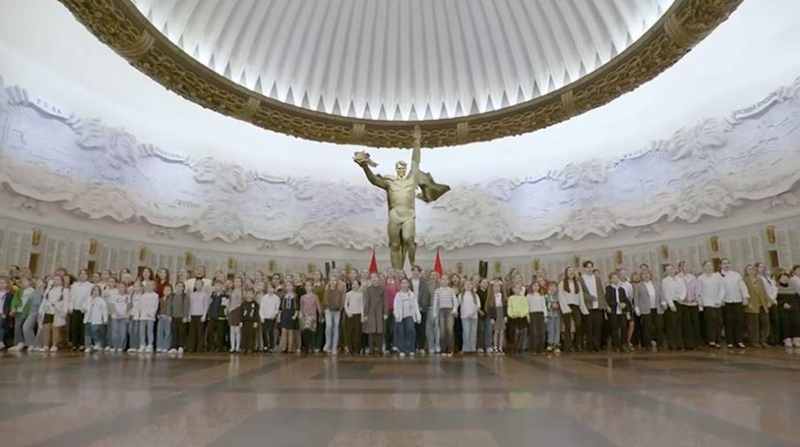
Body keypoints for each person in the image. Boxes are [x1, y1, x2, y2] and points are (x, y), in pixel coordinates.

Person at [719, 258, 749, 349]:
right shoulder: (718, 275)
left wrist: (745, 297)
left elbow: (742, 286)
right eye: (724, 263)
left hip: (737, 300)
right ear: (720, 265)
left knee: (739, 321)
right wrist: (720, 300)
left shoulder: (736, 275)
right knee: (728, 321)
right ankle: (730, 341)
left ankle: (739, 340)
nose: (726, 265)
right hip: (726, 301)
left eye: (728, 263)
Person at [579, 261, 608, 352]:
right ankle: (589, 346)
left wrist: (603, 304)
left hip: (598, 306)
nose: (590, 269)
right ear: (584, 268)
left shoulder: (597, 278)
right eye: (587, 267)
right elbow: (580, 293)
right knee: (589, 327)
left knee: (597, 327)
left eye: (591, 267)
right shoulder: (580, 279)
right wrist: (590, 298)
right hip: (588, 306)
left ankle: (597, 345)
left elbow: (601, 292)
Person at [633, 270, 664, 352]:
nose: (646, 275)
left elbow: (661, 295)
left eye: (648, 274)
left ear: (651, 275)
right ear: (641, 276)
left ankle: (659, 344)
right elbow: (636, 298)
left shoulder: (657, 284)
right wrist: (637, 308)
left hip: (657, 308)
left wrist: (663, 302)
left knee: (659, 326)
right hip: (645, 309)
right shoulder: (638, 286)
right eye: (644, 274)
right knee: (647, 327)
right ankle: (647, 344)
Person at [559, 267, 588, 352]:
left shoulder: (578, 283)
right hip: (566, 305)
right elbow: (561, 296)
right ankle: (568, 346)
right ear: (566, 273)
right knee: (567, 326)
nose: (571, 272)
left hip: (576, 305)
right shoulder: (562, 283)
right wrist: (565, 307)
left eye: (572, 271)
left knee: (578, 324)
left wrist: (583, 307)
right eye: (569, 271)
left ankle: (578, 344)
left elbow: (580, 296)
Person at [697, 261, 725, 348]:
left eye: (710, 266)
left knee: (718, 321)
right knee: (711, 321)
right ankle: (711, 339)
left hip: (717, 302)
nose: (709, 267)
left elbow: (722, 289)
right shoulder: (700, 278)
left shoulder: (717, 277)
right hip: (707, 302)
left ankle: (718, 340)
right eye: (707, 265)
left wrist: (720, 299)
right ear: (704, 267)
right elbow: (699, 291)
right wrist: (700, 303)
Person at [743, 265, 771, 348]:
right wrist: (748, 303)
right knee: (753, 324)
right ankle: (754, 341)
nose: (751, 271)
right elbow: (743, 292)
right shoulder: (744, 281)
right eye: (749, 269)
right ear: (746, 271)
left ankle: (763, 340)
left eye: (753, 269)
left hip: (762, 303)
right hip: (752, 304)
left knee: (765, 322)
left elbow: (764, 291)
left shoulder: (760, 280)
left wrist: (768, 301)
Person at [393, 278, 421, 357]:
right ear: (400, 285)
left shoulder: (412, 294)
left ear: (408, 284)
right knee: (401, 333)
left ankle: (411, 348)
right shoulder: (398, 295)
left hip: (410, 316)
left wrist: (418, 315)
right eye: (403, 283)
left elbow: (416, 306)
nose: (404, 285)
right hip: (400, 317)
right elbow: (395, 306)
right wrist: (397, 315)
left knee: (411, 330)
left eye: (406, 283)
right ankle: (402, 349)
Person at [677, 262, 701, 350]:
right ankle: (689, 343)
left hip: (693, 302)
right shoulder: (678, 277)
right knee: (687, 324)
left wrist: (696, 298)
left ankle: (697, 342)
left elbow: (697, 288)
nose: (686, 267)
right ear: (680, 267)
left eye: (687, 265)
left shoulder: (693, 277)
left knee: (695, 322)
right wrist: (684, 298)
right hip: (684, 303)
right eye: (684, 266)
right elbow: (680, 289)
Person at [661, 264, 685, 351]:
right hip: (670, 303)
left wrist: (681, 298)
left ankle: (680, 344)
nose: (670, 271)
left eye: (672, 269)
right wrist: (671, 304)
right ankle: (672, 344)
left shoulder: (680, 279)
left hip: (679, 301)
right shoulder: (665, 281)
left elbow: (683, 289)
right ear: (666, 272)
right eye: (668, 270)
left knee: (679, 323)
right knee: (671, 324)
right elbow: (666, 293)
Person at [606, 271, 631, 352]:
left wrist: (624, 305)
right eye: (613, 278)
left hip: (621, 311)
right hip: (613, 311)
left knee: (624, 326)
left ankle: (623, 343)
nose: (616, 280)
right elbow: (608, 300)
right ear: (610, 280)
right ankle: (616, 345)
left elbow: (625, 299)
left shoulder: (621, 289)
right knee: (615, 328)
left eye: (617, 278)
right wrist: (617, 304)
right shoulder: (608, 289)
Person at [41, 275, 67, 352]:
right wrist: (41, 310)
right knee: (46, 328)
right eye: (55, 279)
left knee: (55, 328)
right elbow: (44, 300)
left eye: (58, 279)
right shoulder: (48, 290)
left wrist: (64, 312)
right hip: (48, 310)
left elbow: (65, 302)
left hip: (57, 311)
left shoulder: (64, 290)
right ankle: (46, 345)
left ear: (62, 281)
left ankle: (54, 345)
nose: (56, 281)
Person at [433, 275, 458, 356]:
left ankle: (450, 350)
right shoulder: (437, 291)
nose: (444, 281)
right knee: (442, 331)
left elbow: (455, 300)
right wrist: (434, 312)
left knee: (450, 330)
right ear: (440, 281)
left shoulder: (451, 290)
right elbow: (435, 302)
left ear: (448, 281)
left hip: (449, 311)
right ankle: (443, 350)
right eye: (443, 279)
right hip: (441, 311)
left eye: (446, 279)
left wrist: (454, 309)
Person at [362, 274, 387, 355]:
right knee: (371, 331)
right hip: (371, 312)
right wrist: (365, 314)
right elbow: (366, 303)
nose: (375, 280)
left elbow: (386, 302)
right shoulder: (368, 289)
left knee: (380, 331)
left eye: (376, 278)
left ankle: (380, 349)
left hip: (380, 312)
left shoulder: (383, 289)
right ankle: (371, 349)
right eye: (373, 279)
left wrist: (385, 313)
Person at [68, 269, 92, 351]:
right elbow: (71, 296)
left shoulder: (90, 286)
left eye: (85, 274)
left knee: (83, 327)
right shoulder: (75, 285)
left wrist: (85, 307)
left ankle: (82, 343)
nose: (82, 275)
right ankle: (74, 343)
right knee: (74, 326)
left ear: (88, 276)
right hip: (75, 307)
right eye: (81, 274)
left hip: (84, 309)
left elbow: (89, 298)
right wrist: (71, 306)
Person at [409, 266, 431, 354]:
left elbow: (426, 295)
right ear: (411, 272)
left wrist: (422, 306)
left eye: (417, 271)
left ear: (419, 272)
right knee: (412, 328)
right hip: (410, 310)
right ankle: (413, 346)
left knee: (421, 328)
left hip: (421, 308)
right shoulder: (408, 282)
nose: (415, 272)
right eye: (413, 271)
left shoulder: (424, 283)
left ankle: (421, 346)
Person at [775, 272, 800, 347]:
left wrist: (793, 306)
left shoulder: (793, 287)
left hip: (794, 307)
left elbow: (797, 299)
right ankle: (787, 340)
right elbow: (776, 298)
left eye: (786, 277)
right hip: (782, 308)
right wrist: (783, 304)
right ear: (779, 279)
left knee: (796, 322)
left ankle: (796, 339)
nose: (785, 279)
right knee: (785, 323)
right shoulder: (777, 288)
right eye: (783, 277)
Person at [187, 277, 210, 353]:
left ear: (202, 285)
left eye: (200, 284)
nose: (198, 286)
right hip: (193, 314)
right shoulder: (192, 295)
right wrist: (189, 315)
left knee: (200, 332)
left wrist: (204, 315)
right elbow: (190, 305)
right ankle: (192, 347)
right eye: (196, 284)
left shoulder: (204, 294)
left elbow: (206, 305)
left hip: (200, 314)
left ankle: (200, 347)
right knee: (192, 332)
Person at [322, 275, 344, 355]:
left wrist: (339, 306)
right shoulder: (326, 291)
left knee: (335, 328)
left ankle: (334, 347)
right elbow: (325, 301)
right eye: (331, 280)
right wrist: (324, 310)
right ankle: (328, 343)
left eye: (334, 280)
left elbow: (341, 301)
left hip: (336, 311)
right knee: (329, 326)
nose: (333, 282)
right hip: (328, 310)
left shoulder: (339, 291)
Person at [83, 285, 108, 352]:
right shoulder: (88, 299)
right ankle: (88, 345)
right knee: (87, 333)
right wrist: (85, 308)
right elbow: (84, 306)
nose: (95, 292)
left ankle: (97, 343)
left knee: (95, 332)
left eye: (97, 290)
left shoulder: (101, 300)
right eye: (94, 290)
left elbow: (104, 310)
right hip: (88, 319)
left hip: (96, 320)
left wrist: (105, 319)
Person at [526, 279, 547, 354]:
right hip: (532, 314)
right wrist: (527, 316)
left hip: (540, 314)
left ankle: (541, 349)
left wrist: (545, 316)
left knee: (541, 332)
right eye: (534, 285)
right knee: (534, 332)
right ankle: (533, 349)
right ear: (532, 286)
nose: (536, 287)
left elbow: (544, 306)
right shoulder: (529, 296)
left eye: (537, 286)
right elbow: (527, 306)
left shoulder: (541, 295)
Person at [486, 280, 507, 355]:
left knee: (502, 331)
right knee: (496, 331)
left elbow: (505, 307)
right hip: (495, 315)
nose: (497, 288)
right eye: (495, 286)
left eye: (498, 286)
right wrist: (492, 317)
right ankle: (495, 347)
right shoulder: (491, 297)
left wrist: (505, 316)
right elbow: (490, 308)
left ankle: (500, 347)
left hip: (501, 314)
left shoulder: (503, 296)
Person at [459, 280, 480, 354]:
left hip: (474, 317)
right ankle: (466, 348)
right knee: (466, 332)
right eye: (466, 284)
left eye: (470, 284)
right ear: (464, 286)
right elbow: (457, 304)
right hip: (464, 317)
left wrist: (472, 313)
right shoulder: (461, 295)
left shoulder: (475, 295)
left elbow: (478, 306)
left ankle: (473, 348)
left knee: (473, 333)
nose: (468, 286)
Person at [299, 280, 320, 354]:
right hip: (305, 316)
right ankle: (307, 346)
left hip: (313, 315)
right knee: (306, 330)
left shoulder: (315, 296)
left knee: (312, 331)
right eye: (306, 286)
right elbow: (301, 307)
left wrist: (320, 315)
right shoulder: (302, 297)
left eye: (309, 286)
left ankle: (312, 345)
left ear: (312, 287)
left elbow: (318, 306)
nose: (308, 288)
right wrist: (301, 314)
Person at [168, 281, 190, 354]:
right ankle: (174, 346)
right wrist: (169, 315)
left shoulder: (185, 296)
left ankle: (181, 346)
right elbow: (169, 307)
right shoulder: (172, 296)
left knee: (181, 332)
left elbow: (187, 307)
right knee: (174, 332)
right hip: (174, 317)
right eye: (177, 286)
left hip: (182, 317)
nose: (179, 288)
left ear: (183, 288)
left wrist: (185, 316)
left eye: (181, 286)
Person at [507, 285, 530, 354]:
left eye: (519, 288)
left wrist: (522, 314)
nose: (517, 290)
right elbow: (509, 307)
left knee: (523, 332)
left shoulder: (524, 298)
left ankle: (521, 346)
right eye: (516, 288)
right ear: (513, 289)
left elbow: (526, 307)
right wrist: (512, 314)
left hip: (522, 317)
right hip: (514, 317)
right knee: (516, 332)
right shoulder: (511, 298)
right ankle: (515, 347)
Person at [344, 280, 364, 355]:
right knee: (350, 333)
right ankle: (350, 349)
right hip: (350, 314)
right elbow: (345, 304)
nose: (354, 285)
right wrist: (348, 312)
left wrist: (362, 315)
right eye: (353, 284)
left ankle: (357, 349)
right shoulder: (348, 294)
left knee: (357, 333)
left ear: (359, 285)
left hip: (358, 314)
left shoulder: (360, 294)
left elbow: (361, 305)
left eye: (356, 284)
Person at [206, 281, 228, 352]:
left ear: (222, 287)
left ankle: (219, 346)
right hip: (212, 316)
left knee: (220, 333)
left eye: (218, 285)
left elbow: (225, 306)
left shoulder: (225, 296)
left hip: (220, 316)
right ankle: (212, 345)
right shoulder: (212, 296)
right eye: (215, 286)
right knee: (210, 331)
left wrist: (225, 315)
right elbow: (209, 305)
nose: (216, 287)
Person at [108, 281, 129, 353]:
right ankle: (114, 346)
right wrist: (116, 312)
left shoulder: (127, 296)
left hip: (124, 317)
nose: (121, 289)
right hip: (115, 316)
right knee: (114, 332)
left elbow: (128, 306)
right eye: (119, 287)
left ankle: (121, 346)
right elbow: (112, 305)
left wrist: (125, 314)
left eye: (123, 287)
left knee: (122, 332)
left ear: (125, 288)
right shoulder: (114, 296)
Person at [279, 282, 300, 354]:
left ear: (293, 287)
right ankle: (284, 347)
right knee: (284, 330)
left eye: (290, 286)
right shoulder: (283, 296)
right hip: (284, 314)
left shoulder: (295, 296)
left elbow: (297, 307)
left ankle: (290, 348)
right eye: (287, 286)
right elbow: (281, 307)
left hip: (291, 313)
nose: (288, 287)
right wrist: (279, 316)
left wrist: (295, 315)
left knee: (290, 331)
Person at [259, 283, 280, 352]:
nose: (270, 289)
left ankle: (271, 346)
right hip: (264, 316)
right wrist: (261, 316)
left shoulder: (276, 298)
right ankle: (265, 345)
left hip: (271, 317)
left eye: (271, 288)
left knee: (271, 331)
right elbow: (261, 308)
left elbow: (277, 308)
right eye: (269, 288)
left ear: (274, 289)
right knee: (264, 331)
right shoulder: (264, 297)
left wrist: (274, 315)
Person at [139, 281, 158, 353]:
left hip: (150, 316)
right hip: (142, 316)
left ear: (153, 287)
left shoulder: (155, 295)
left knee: (149, 331)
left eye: (150, 285)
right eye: (147, 285)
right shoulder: (143, 295)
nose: (148, 287)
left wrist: (151, 313)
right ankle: (142, 344)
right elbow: (140, 306)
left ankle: (150, 345)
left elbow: (155, 306)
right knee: (142, 331)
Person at [156, 284, 174, 353]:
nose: (166, 291)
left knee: (168, 332)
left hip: (168, 317)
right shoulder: (160, 299)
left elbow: (172, 308)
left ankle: (166, 346)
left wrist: (170, 316)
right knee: (160, 332)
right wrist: (158, 314)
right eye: (165, 290)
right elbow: (158, 308)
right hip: (161, 317)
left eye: (168, 290)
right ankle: (159, 346)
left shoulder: (172, 299)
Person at [228, 277, 244, 354]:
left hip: (238, 310)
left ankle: (237, 347)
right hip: (231, 310)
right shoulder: (232, 291)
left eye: (239, 281)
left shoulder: (242, 291)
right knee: (232, 329)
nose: (237, 283)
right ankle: (232, 346)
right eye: (236, 281)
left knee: (238, 330)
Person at [0, 276, 13, 350]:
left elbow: (8, 305)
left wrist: (6, 313)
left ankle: (1, 341)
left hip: (3, 313)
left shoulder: (9, 294)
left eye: (3, 283)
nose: (1, 284)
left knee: (1, 326)